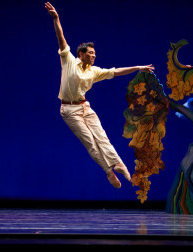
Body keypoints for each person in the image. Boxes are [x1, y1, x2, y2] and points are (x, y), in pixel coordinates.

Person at [45, 2, 155, 189]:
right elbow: (61, 38)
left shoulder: (94, 71)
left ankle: (118, 163)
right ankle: (108, 170)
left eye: (95, 54)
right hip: (69, 110)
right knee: (90, 141)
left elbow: (116, 71)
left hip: (85, 107)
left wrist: (138, 67)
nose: (93, 56)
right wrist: (56, 19)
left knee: (101, 137)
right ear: (81, 54)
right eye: (90, 53)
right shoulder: (69, 60)